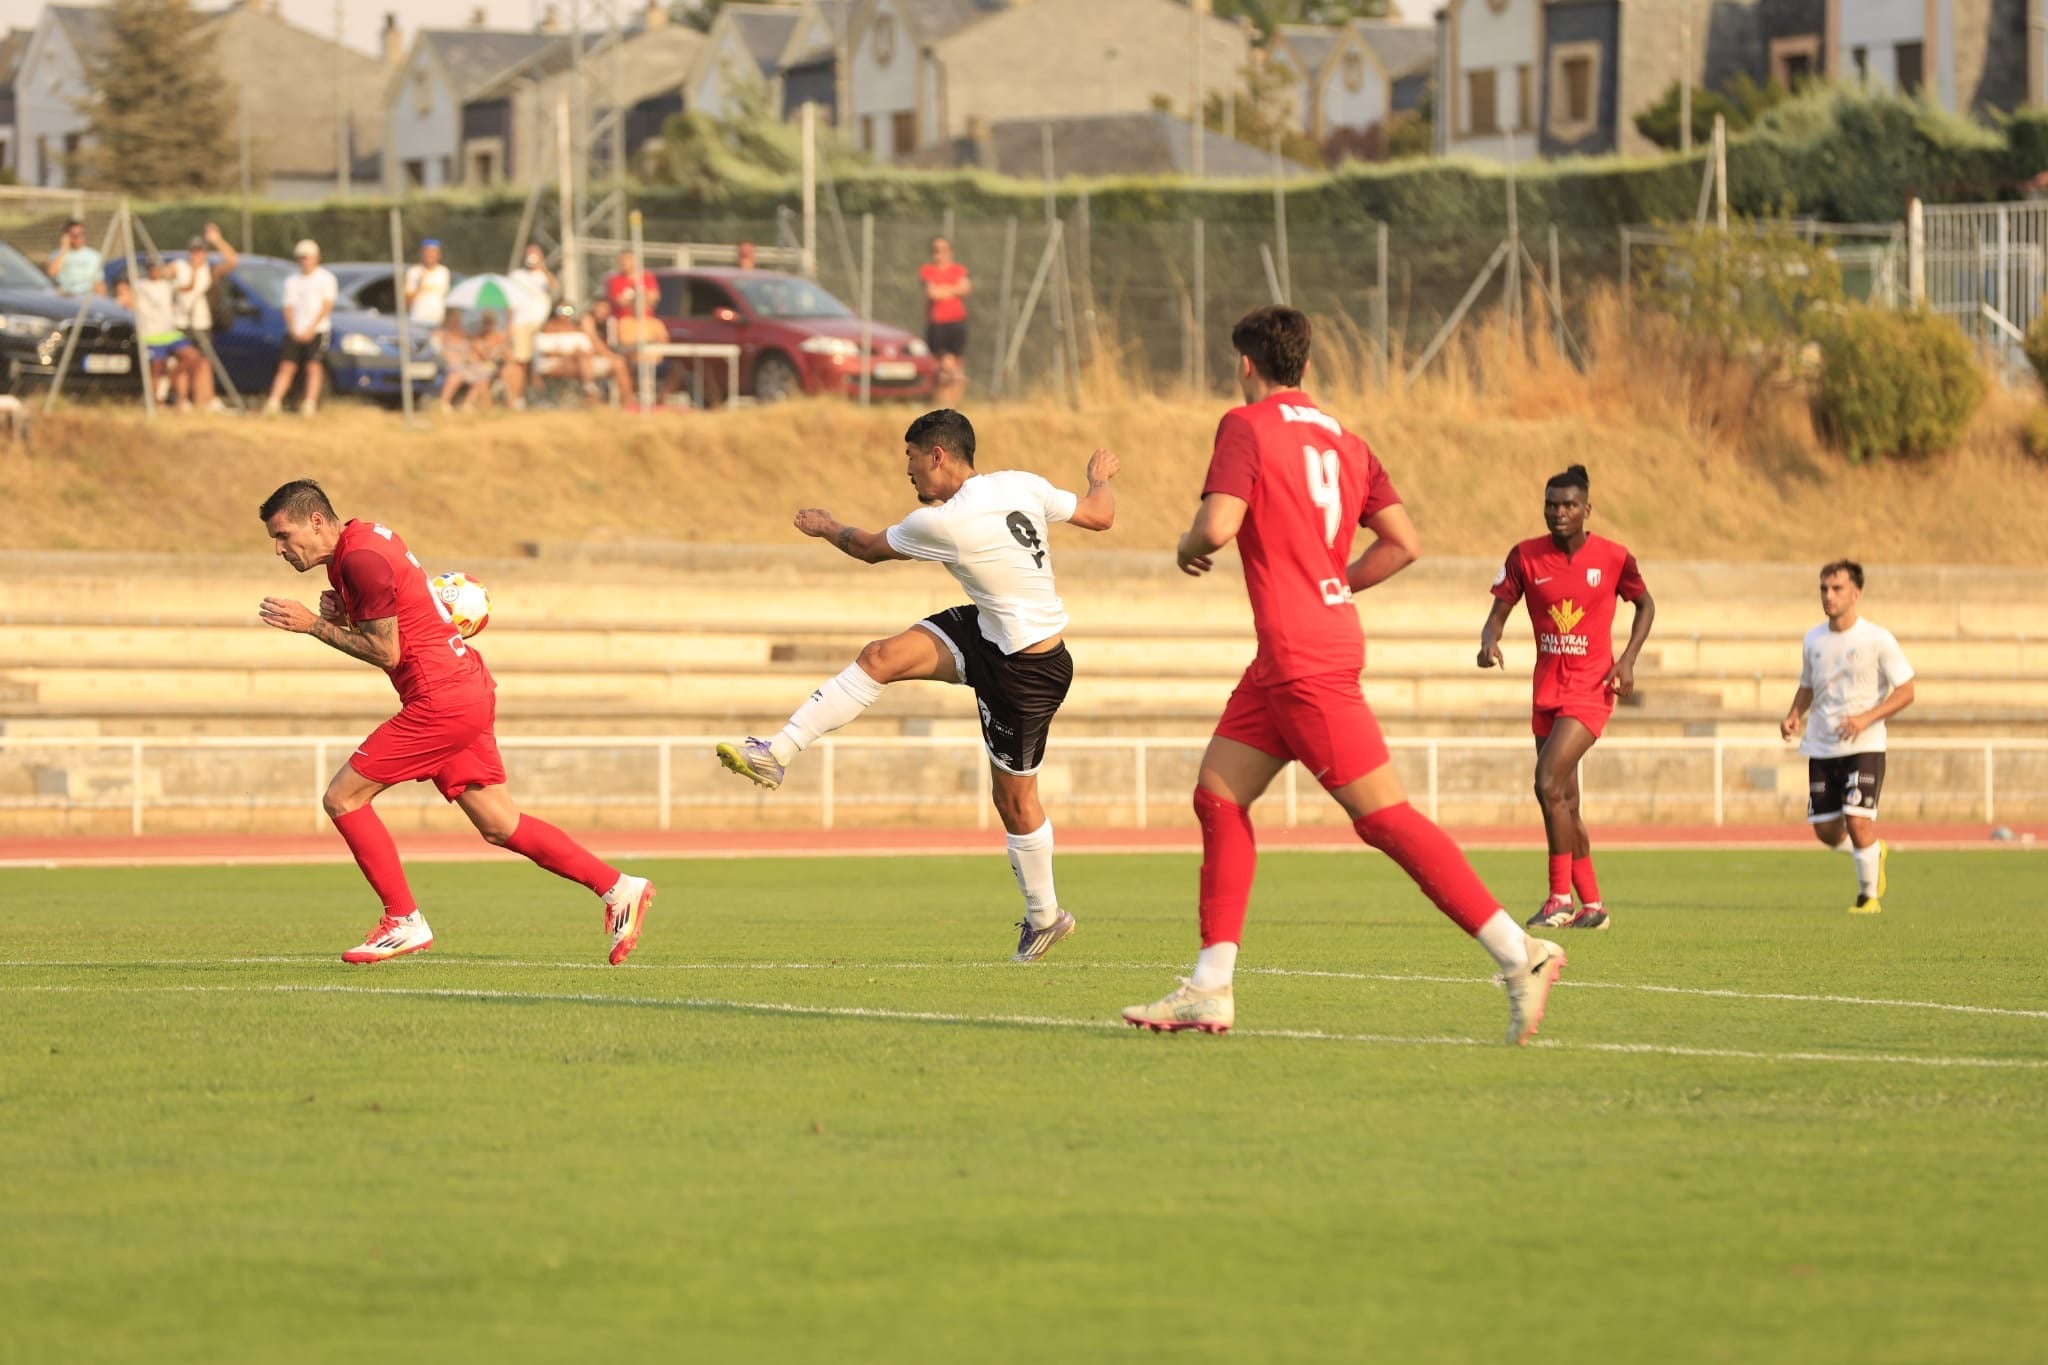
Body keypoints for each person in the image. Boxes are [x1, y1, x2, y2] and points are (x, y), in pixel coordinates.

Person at [1121, 306, 1565, 1045]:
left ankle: (1521, 953)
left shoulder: (1245, 425)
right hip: (1292, 655)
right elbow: (1404, 543)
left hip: (1302, 657)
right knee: (1218, 795)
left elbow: (1217, 527)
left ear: (1246, 363)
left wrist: (1184, 546)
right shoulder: (1347, 441)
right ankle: (1209, 987)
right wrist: (1331, 583)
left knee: (1384, 817)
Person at [715, 409, 1119, 963]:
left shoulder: (941, 523)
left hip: (1027, 673)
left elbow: (867, 548)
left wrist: (827, 526)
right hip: (987, 631)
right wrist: (1099, 478)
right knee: (879, 657)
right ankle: (775, 753)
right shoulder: (1019, 483)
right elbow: (1099, 516)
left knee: (1014, 801)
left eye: (910, 457)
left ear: (938, 455)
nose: (907, 470)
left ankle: (1046, 918)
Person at [255, 479, 655, 964]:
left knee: (343, 798)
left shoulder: (360, 560)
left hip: (439, 700)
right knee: (501, 824)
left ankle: (403, 920)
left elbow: (386, 651)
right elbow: (403, 613)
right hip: (464, 688)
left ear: (316, 521)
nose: (279, 549)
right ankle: (619, 888)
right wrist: (350, 614)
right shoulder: (366, 539)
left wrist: (314, 625)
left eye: (283, 535)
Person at [1477, 464, 1655, 932]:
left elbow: (1645, 604)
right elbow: (1497, 614)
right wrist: (1489, 640)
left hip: (1591, 690)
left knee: (1546, 782)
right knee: (1566, 801)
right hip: (1547, 692)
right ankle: (1592, 905)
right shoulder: (1525, 557)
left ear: (1586, 509)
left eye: (1569, 505)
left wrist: (1627, 660)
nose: (1559, 513)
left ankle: (1559, 898)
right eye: (1551, 505)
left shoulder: (1614, 558)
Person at [1779, 560, 1916, 914]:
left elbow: (1906, 691)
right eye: (1824, 589)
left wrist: (1866, 718)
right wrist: (1794, 714)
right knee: (1826, 831)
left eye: (1837, 588)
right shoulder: (1813, 639)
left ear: (1856, 593)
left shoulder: (1877, 639)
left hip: (1864, 745)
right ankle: (1872, 851)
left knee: (1857, 821)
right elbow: (1808, 685)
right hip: (1822, 746)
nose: (1829, 595)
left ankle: (1867, 898)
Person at [115, 256, 204, 411]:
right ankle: (156, 402)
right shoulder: (140, 285)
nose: (155, 271)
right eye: (152, 268)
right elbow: (125, 299)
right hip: (151, 335)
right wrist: (124, 298)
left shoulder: (167, 285)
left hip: (168, 332)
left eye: (157, 268)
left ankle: (167, 381)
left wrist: (195, 270)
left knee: (192, 356)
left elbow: (189, 287)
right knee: (155, 369)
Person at [264, 240, 337, 417]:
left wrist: (311, 328)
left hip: (318, 330)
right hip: (295, 331)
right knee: (286, 366)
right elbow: (288, 307)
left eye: (307, 257)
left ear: (317, 258)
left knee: (313, 366)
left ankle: (309, 404)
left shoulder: (326, 279)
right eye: (301, 258)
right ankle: (274, 402)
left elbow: (326, 306)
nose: (304, 261)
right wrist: (293, 329)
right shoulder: (292, 281)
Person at [172, 223, 237, 412]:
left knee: (203, 362)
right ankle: (182, 400)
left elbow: (232, 261)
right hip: (182, 323)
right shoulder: (179, 267)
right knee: (183, 361)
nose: (196, 255)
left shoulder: (210, 270)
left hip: (202, 324)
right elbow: (174, 282)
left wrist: (217, 240)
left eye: (200, 251)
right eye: (193, 251)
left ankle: (203, 401)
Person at [919, 236, 971, 405]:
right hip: (938, 323)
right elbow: (933, 293)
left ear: (950, 252)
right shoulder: (928, 270)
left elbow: (965, 288)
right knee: (943, 364)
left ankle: (955, 403)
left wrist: (944, 289)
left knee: (957, 363)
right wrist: (953, 289)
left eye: (943, 250)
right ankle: (943, 402)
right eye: (936, 250)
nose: (940, 254)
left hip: (957, 322)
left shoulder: (959, 270)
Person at [504, 244, 557, 408]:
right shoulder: (516, 275)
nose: (532, 257)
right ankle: (518, 397)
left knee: (538, 363)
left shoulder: (544, 275)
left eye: (536, 254)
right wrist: (509, 324)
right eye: (529, 254)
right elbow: (510, 302)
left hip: (541, 324)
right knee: (521, 362)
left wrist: (543, 268)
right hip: (520, 324)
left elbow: (555, 288)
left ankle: (540, 397)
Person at [435, 307, 496, 412]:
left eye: (457, 319)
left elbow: (471, 352)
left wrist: (474, 356)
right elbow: (438, 351)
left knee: (482, 375)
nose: (455, 322)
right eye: (453, 319)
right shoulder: (441, 334)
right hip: (450, 364)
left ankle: (468, 404)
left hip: (466, 364)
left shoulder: (464, 333)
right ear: (447, 319)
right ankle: (444, 403)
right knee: (457, 375)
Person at [46, 219, 106, 299]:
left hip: (86, 296)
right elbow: (51, 273)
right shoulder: (57, 254)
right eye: (74, 235)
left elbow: (99, 282)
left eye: (81, 234)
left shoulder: (94, 256)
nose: (78, 238)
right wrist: (64, 250)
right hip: (64, 296)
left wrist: (101, 300)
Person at [404, 239, 452, 334]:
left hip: (438, 320)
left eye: (433, 252)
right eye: (427, 252)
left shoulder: (444, 272)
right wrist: (419, 285)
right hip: (417, 320)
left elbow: (446, 298)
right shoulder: (414, 272)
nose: (430, 255)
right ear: (422, 253)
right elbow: (407, 301)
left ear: (438, 254)